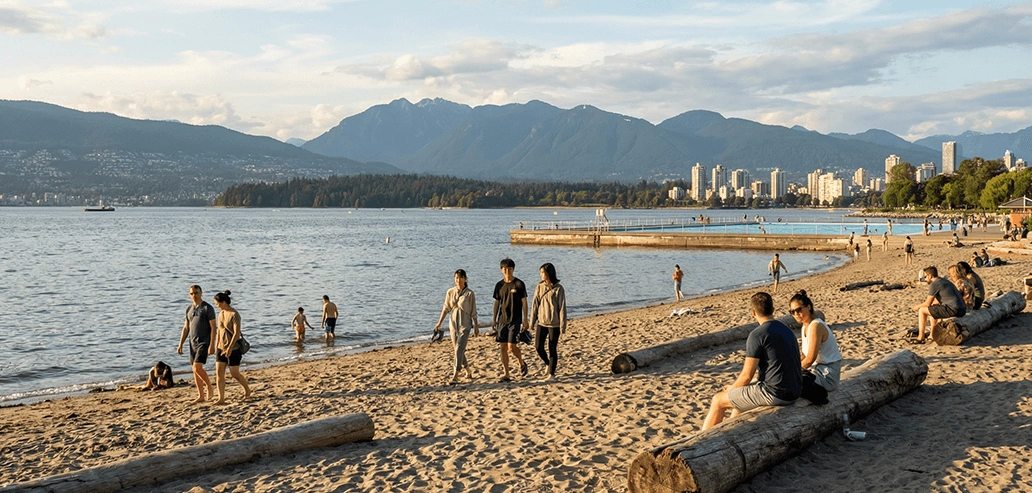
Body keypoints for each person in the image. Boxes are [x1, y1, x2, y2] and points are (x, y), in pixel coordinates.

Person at [702, 292, 802, 430]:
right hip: (795, 390)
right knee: (738, 400)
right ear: (773, 310)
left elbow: (746, 376)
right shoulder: (786, 329)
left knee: (718, 400)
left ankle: (701, 441)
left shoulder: (757, 334)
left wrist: (731, 388)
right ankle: (729, 432)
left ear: (753, 312)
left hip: (776, 393)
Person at [790, 290, 841, 392]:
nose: (796, 314)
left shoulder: (816, 326)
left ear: (808, 307)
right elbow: (804, 355)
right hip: (816, 369)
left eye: (799, 310)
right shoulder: (805, 326)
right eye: (792, 312)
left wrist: (791, 372)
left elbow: (810, 359)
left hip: (827, 374)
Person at [434, 269, 479, 384]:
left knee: (459, 347)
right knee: (458, 349)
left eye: (460, 278)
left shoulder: (469, 293)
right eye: (456, 278)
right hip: (453, 323)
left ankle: (455, 375)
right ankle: (468, 370)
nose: (458, 280)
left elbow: (473, 310)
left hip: (465, 324)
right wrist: (439, 323)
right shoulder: (450, 292)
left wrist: (476, 326)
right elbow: (445, 308)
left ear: (465, 278)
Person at [176, 285, 216, 403]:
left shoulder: (207, 308)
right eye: (192, 293)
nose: (194, 295)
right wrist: (180, 344)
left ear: (201, 293)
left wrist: (212, 345)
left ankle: (209, 386)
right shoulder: (189, 308)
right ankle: (201, 396)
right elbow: (186, 328)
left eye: (196, 293)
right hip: (192, 342)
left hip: (204, 342)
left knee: (197, 367)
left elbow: (214, 328)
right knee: (195, 370)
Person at [493, 258, 529, 382]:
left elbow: (524, 302)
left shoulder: (519, 284)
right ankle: (506, 373)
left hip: (515, 320)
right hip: (502, 320)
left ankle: (521, 362)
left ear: (513, 269)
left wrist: (525, 319)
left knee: (511, 347)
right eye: (504, 269)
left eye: (509, 269)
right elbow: (497, 302)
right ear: (501, 270)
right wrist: (494, 319)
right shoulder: (499, 285)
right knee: (502, 348)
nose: (507, 271)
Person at [212, 290, 251, 404]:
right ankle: (221, 398)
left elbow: (236, 333)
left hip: (233, 349)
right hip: (220, 348)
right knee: (219, 374)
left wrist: (229, 348)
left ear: (223, 302)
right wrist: (217, 345)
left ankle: (247, 390)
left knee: (235, 374)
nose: (216, 306)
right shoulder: (221, 314)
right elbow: (219, 331)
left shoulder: (234, 314)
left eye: (217, 303)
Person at [531, 263, 567, 381]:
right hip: (541, 322)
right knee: (538, 347)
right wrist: (532, 321)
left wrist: (563, 325)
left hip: (554, 323)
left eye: (543, 272)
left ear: (548, 273)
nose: (541, 275)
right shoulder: (539, 287)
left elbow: (562, 307)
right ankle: (548, 363)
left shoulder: (558, 288)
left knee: (552, 348)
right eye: (540, 272)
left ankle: (552, 374)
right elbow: (535, 304)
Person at [910, 266, 967, 343]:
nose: (925, 279)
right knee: (933, 309)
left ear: (930, 276)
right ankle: (932, 335)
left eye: (925, 276)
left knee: (922, 310)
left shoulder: (934, 284)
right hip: (962, 309)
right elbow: (936, 302)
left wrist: (917, 307)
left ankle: (920, 337)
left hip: (953, 309)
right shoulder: (944, 281)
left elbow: (927, 303)